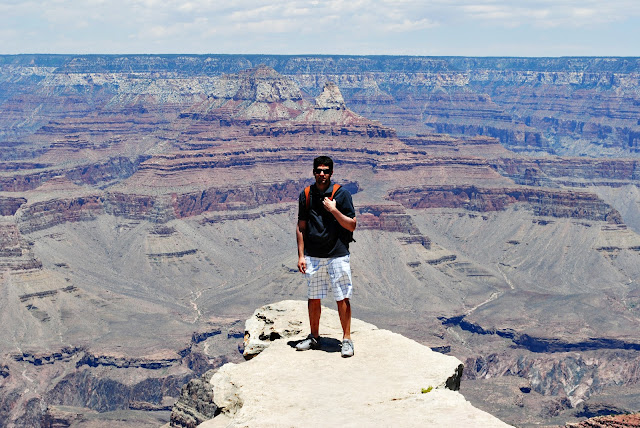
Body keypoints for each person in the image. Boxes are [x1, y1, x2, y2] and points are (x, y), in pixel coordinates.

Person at [295, 155, 357, 358]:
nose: (322, 174)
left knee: (342, 296)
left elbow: (352, 225)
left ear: (331, 173)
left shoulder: (342, 194)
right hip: (313, 255)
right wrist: (301, 255)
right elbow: (301, 226)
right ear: (314, 172)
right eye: (319, 170)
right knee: (314, 297)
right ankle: (314, 337)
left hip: (337, 253)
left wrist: (334, 210)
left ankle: (346, 339)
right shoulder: (306, 194)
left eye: (326, 171)